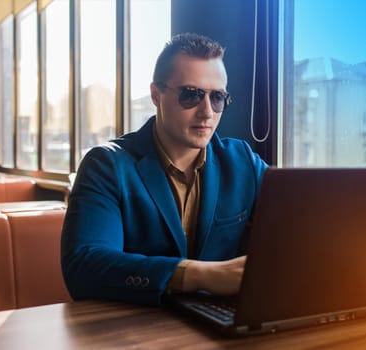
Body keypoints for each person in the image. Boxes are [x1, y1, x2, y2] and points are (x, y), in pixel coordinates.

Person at [61, 33, 268, 306]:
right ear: (156, 95)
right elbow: (84, 267)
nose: (207, 112)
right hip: (132, 331)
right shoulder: (106, 165)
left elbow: (299, 218)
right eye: (191, 95)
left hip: (220, 325)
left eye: (217, 97)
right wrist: (200, 275)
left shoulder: (242, 160)